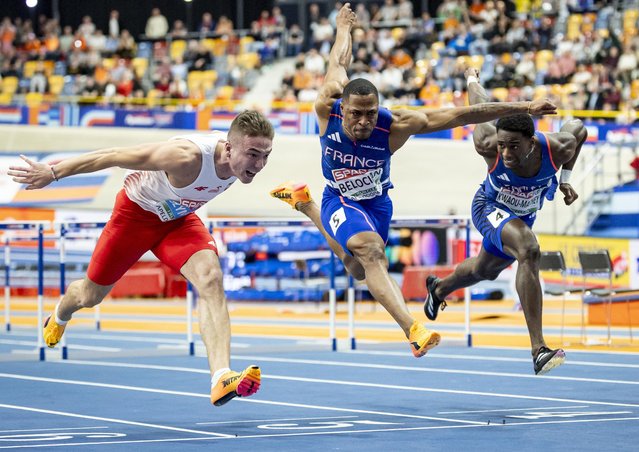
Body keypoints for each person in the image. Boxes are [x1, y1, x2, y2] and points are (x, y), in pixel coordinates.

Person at [270, 3, 557, 359]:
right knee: (372, 253)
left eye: (370, 113)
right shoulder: (327, 106)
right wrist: (344, 28)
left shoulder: (395, 125)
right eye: (356, 113)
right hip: (340, 198)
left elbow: (459, 114)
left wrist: (524, 107)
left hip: (377, 202)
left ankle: (306, 205)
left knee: (356, 267)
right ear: (342, 108)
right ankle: (413, 328)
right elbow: (338, 62)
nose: (363, 122)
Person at [7, 110, 273, 406]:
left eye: (266, 155)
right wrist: (53, 172)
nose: (259, 165)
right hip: (133, 217)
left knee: (211, 278)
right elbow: (114, 154)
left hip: (178, 221)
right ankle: (60, 313)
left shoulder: (241, 164)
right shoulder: (185, 156)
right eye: (253, 155)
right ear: (228, 147)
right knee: (90, 296)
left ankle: (221, 376)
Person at [424, 68, 587, 375]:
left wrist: (565, 179)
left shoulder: (558, 147)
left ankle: (439, 288)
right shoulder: (487, 142)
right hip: (489, 206)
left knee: (483, 270)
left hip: (523, 213)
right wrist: (472, 81)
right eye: (502, 146)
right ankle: (539, 348)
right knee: (528, 249)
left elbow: (578, 129)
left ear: (532, 142)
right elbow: (479, 108)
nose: (506, 153)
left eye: (514, 146)